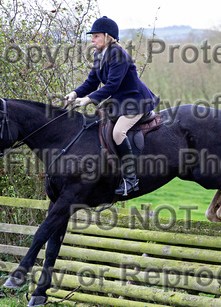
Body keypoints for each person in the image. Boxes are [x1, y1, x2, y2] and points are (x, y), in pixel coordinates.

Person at [66, 16, 159, 196]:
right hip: (120, 102)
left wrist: (88, 100)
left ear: (108, 36)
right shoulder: (98, 55)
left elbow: (111, 86)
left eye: (96, 36)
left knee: (118, 133)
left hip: (136, 102)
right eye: (92, 37)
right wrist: (76, 93)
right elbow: (92, 82)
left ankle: (131, 180)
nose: (92, 40)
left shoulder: (119, 55)